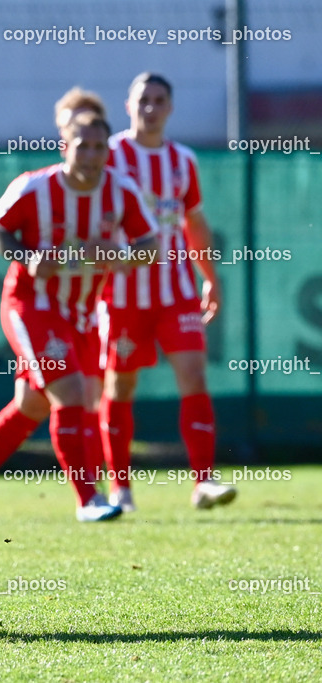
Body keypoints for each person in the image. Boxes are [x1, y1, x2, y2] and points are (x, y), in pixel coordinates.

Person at [0, 112, 160, 523]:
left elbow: (150, 246)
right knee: (72, 392)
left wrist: (119, 254)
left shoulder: (121, 191)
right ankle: (88, 499)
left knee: (33, 403)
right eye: (82, 146)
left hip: (82, 314)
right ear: (64, 147)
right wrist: (29, 258)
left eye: (98, 147)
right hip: (31, 305)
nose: (90, 155)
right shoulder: (36, 187)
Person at [100, 73, 236, 511]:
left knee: (194, 374)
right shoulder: (110, 154)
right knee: (120, 386)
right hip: (120, 294)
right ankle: (120, 488)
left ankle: (204, 482)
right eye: (143, 100)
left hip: (175, 291)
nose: (151, 108)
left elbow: (194, 223)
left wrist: (210, 278)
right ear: (128, 105)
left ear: (170, 107)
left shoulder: (183, 160)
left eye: (159, 100)